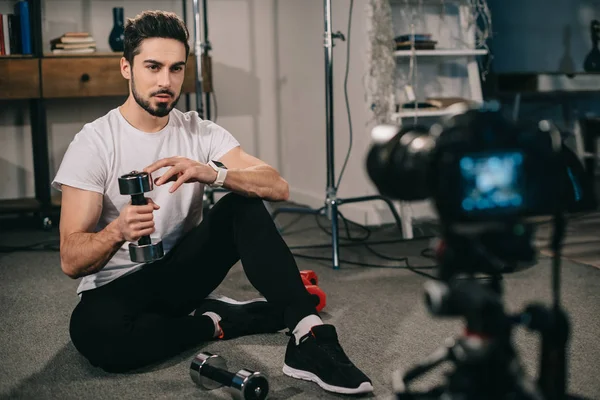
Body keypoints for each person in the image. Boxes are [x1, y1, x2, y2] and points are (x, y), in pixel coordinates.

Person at [52, 10, 373, 395]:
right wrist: (118, 231)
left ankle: (310, 335)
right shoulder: (95, 142)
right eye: (152, 67)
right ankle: (221, 321)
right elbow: (71, 259)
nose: (165, 81)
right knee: (95, 336)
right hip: (120, 289)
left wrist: (214, 173)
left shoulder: (199, 130)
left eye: (175, 69)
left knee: (245, 202)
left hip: (184, 274)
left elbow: (278, 186)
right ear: (126, 67)